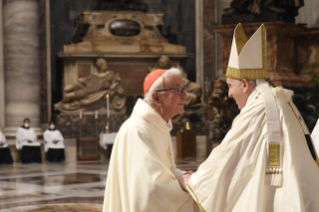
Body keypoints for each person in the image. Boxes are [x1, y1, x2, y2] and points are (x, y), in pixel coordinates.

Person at [183, 24, 319, 212]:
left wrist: (194, 181)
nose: (229, 94)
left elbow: (228, 155)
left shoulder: (258, 109)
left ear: (245, 84)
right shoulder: (281, 101)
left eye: (230, 85)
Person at [103, 68, 197, 212]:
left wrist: (182, 175)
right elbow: (148, 190)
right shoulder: (138, 130)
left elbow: (164, 170)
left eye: (183, 89)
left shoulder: (159, 126)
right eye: (178, 90)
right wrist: (181, 184)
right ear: (157, 98)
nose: (185, 95)